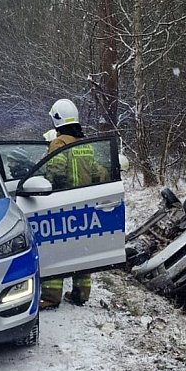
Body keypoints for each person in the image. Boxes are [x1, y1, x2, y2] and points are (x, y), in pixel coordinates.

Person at [39, 99, 107, 309]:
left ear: (57, 119)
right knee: (82, 249)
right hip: (85, 203)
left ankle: (51, 297)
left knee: (55, 249)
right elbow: (98, 172)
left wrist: (43, 182)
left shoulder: (59, 143)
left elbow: (54, 172)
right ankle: (81, 293)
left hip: (62, 203)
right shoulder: (86, 145)